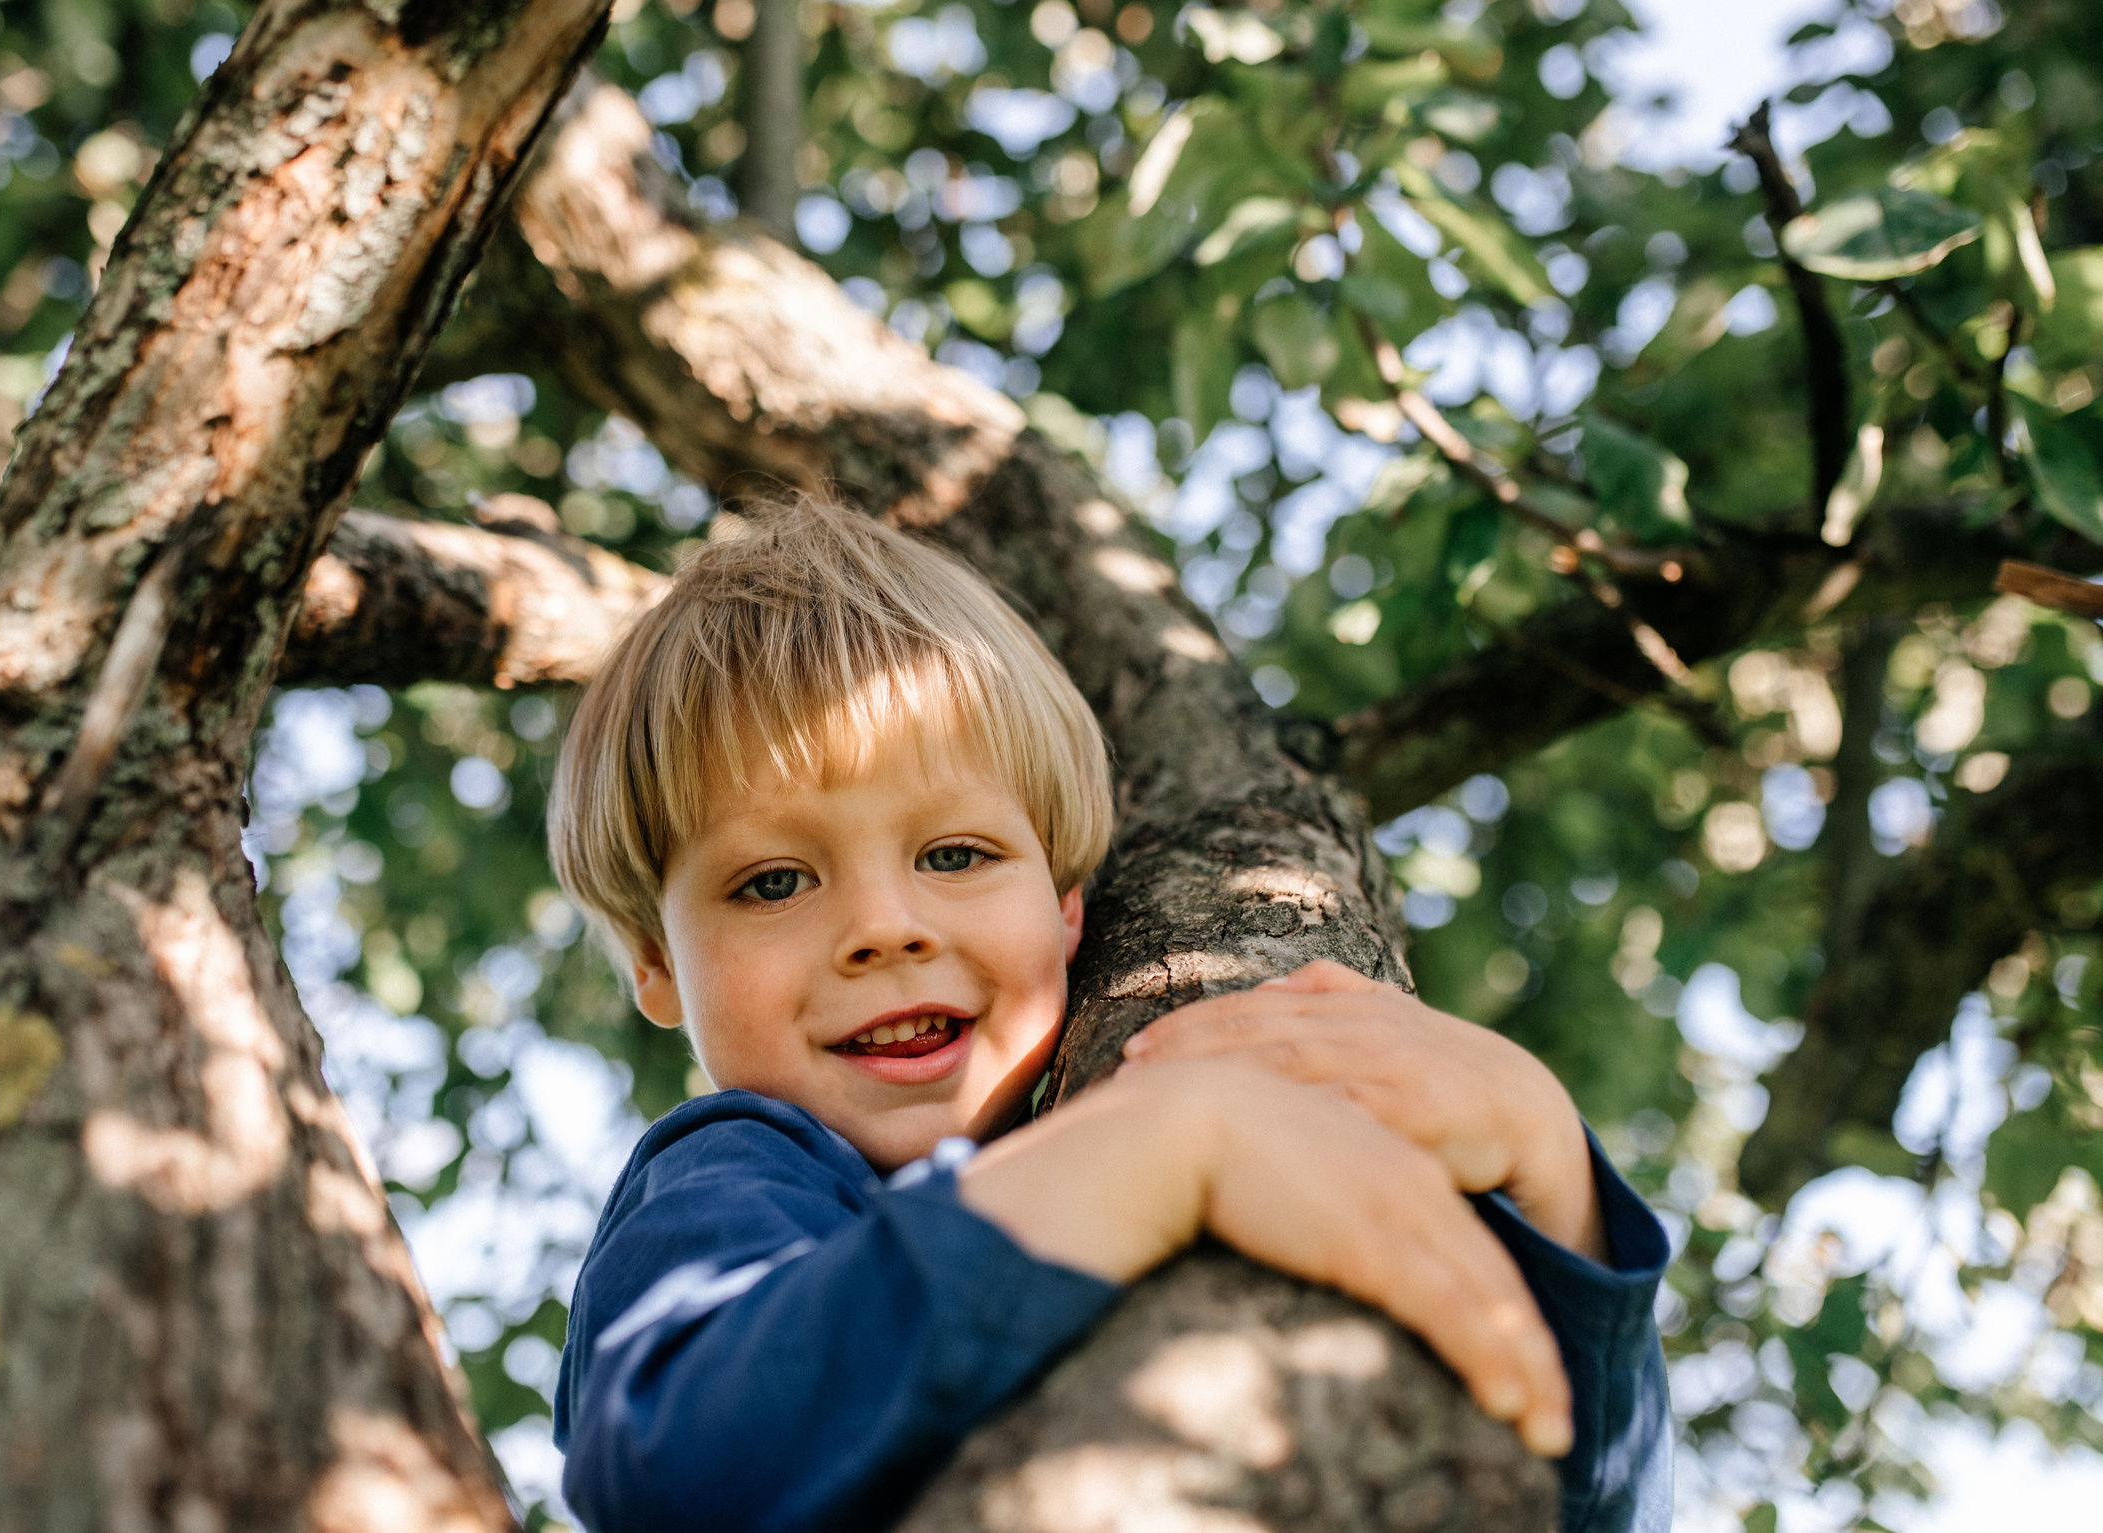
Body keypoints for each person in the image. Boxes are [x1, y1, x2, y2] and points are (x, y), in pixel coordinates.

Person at [545, 498, 1670, 1533]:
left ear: (1066, 902)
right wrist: (1165, 1144)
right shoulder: (739, 1167)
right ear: (653, 958)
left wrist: (1554, 1180)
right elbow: (667, 1457)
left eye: (954, 852)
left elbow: (1545, 1484)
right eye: (774, 881)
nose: (883, 927)